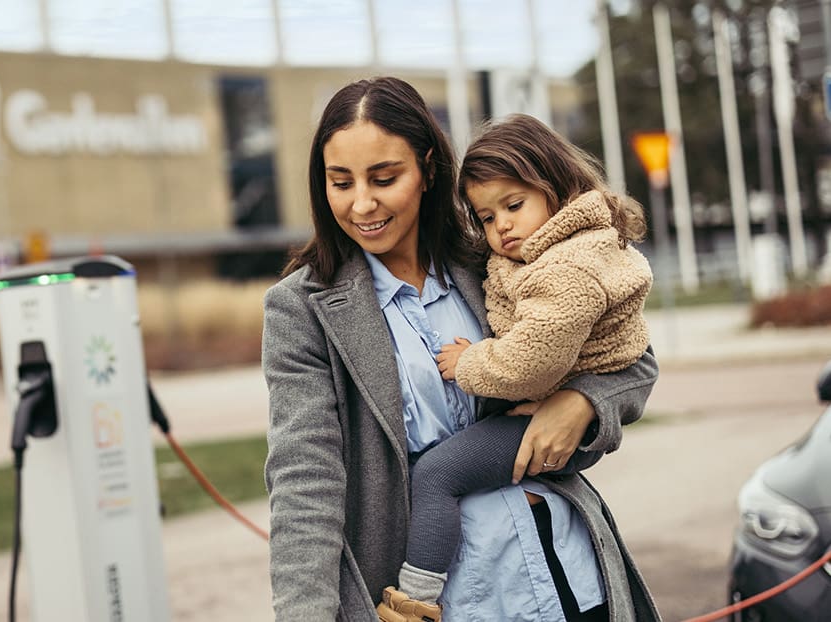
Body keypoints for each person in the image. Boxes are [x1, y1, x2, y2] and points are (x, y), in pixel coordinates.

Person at [261, 76, 661, 622]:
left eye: (384, 178)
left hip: (564, 572)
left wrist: (582, 403)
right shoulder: (301, 309)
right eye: (341, 182)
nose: (362, 203)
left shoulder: (496, 256)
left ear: (428, 169)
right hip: (439, 603)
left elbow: (630, 355)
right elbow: (304, 484)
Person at [378, 114, 655, 620]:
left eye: (513, 206)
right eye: (486, 217)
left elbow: (540, 361)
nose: (500, 227)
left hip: (550, 495)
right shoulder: (540, 253)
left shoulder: (565, 266)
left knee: (437, 473)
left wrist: (473, 362)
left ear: (556, 188)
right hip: (490, 572)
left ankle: (415, 600)